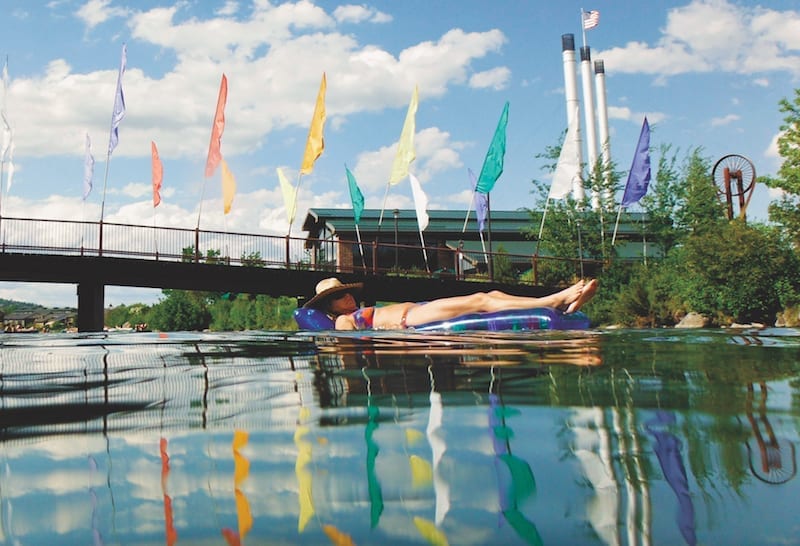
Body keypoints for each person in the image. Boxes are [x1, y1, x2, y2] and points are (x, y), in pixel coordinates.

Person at [303, 277, 598, 331]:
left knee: (491, 294)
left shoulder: (354, 312)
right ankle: (555, 300)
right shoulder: (342, 321)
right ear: (331, 305)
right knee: (481, 301)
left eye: (348, 292)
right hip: (411, 319)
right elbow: (344, 342)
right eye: (341, 296)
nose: (349, 297)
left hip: (419, 310)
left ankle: (560, 306)